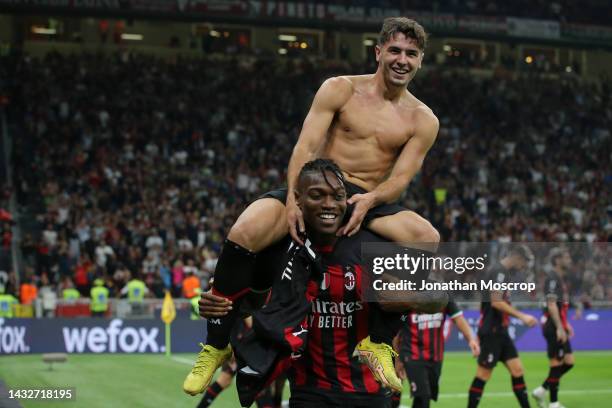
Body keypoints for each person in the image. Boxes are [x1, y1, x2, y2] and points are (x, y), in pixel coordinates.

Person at [185, 16, 441, 395]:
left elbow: (400, 180)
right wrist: (291, 199)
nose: (402, 59)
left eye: (412, 54)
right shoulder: (339, 89)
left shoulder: (423, 119)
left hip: (363, 199)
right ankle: (216, 344)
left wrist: (369, 199)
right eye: (395, 51)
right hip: (316, 188)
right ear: (378, 52)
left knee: (427, 237)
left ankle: (379, 341)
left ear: (420, 61)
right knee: (244, 230)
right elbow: (304, 149)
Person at [199, 159, 446, 407]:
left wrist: (412, 296)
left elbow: (440, 296)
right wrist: (221, 302)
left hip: (371, 395)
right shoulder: (284, 251)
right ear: (297, 201)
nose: (328, 204)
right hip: (308, 396)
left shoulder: (375, 247)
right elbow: (254, 303)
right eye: (317, 196)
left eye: (336, 196)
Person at [467, 246, 538, 408]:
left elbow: (483, 303)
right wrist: (522, 316)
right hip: (492, 331)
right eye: (525, 262)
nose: (524, 266)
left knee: (517, 370)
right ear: (517, 256)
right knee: (483, 375)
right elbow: (496, 301)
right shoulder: (498, 271)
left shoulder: (499, 271)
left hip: (500, 330)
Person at [393, 300, 480, 408]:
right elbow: (397, 328)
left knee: (425, 397)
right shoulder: (409, 300)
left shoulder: (443, 298)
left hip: (435, 357)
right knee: (423, 396)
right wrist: (397, 358)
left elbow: (458, 318)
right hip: (412, 355)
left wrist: (471, 339)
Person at [532, 248, 575, 408]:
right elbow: (551, 304)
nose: (569, 259)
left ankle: (542, 389)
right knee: (556, 364)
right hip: (552, 325)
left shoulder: (560, 279)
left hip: (559, 324)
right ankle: (554, 403)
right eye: (566, 257)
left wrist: (565, 324)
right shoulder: (552, 278)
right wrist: (559, 327)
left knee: (569, 362)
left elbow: (559, 305)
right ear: (557, 260)